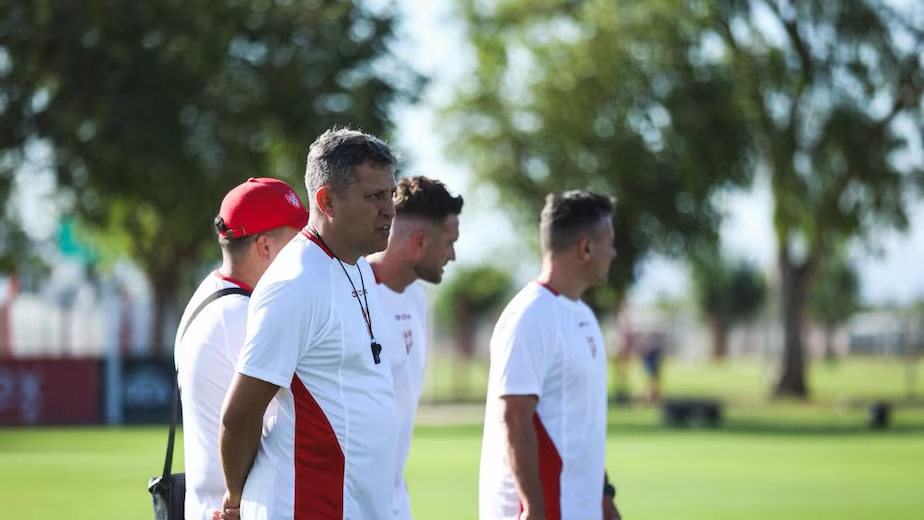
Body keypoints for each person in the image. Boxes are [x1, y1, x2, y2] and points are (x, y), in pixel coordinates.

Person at [218, 128, 400, 520]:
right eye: (374, 197)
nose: (388, 209)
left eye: (390, 194)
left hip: (353, 504)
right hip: (306, 505)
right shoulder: (294, 283)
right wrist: (236, 500)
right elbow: (240, 414)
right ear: (326, 200)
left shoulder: (356, 265)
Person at [479, 190, 623, 520]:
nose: (614, 253)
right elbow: (515, 418)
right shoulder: (530, 316)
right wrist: (533, 508)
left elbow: (581, 423)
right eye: (610, 242)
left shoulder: (584, 316)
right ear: (586, 248)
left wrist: (603, 494)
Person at [174, 177, 308, 520]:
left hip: (212, 504)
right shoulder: (243, 315)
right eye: (296, 238)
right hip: (234, 509)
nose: (305, 249)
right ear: (265, 246)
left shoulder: (210, 293)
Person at [366, 176, 464, 520]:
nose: (453, 255)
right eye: (449, 243)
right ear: (420, 241)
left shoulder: (417, 299)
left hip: (395, 500)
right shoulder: (351, 294)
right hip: (348, 501)